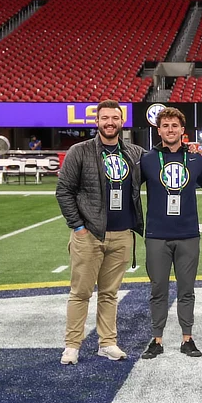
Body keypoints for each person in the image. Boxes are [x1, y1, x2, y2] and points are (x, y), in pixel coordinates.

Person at [55, 99, 144, 365]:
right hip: (90, 234)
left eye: (114, 118)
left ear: (121, 121)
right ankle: (72, 345)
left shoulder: (134, 153)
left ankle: (107, 342)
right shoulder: (79, 151)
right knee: (81, 293)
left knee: (109, 293)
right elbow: (64, 191)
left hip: (121, 234)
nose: (109, 122)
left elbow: (163, 161)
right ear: (96, 121)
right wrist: (78, 227)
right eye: (104, 118)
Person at [140, 107, 202, 359]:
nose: (170, 130)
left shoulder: (195, 159)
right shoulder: (148, 159)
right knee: (158, 289)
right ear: (158, 130)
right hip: (157, 235)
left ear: (183, 130)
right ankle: (157, 339)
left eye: (175, 126)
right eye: (165, 126)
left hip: (188, 234)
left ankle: (187, 338)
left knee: (186, 289)